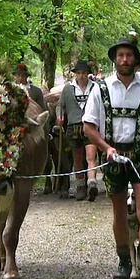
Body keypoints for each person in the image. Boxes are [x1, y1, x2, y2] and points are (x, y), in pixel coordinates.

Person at [82, 36, 140, 279]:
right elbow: (89, 127)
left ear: (135, 60)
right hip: (113, 155)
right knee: (119, 212)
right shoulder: (101, 89)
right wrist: (105, 147)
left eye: (129, 55)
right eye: (120, 55)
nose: (124, 59)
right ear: (114, 59)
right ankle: (123, 262)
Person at [56, 60, 100, 201]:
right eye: (79, 73)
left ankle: (92, 183)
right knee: (78, 159)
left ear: (88, 74)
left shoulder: (95, 88)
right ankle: (81, 186)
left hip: (91, 125)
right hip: (73, 127)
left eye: (84, 73)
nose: (81, 76)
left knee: (91, 156)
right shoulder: (68, 89)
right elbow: (59, 105)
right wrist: (59, 116)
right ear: (75, 74)